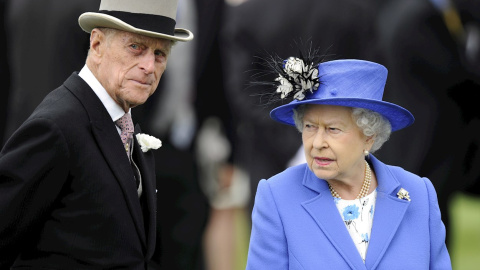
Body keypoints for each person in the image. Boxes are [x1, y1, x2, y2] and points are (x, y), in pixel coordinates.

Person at [0, 0, 193, 268]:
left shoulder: (121, 120)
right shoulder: (56, 128)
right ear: (97, 44)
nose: (149, 66)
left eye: (160, 53)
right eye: (135, 47)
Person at [245, 56, 452, 269]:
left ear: (369, 136)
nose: (317, 143)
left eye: (333, 129)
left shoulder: (418, 193)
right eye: (309, 127)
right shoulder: (277, 196)